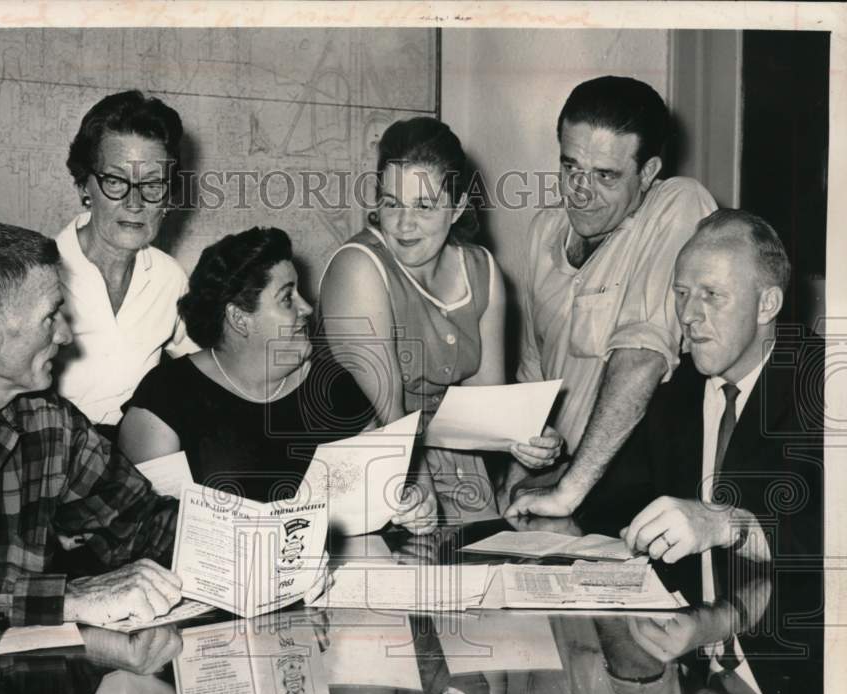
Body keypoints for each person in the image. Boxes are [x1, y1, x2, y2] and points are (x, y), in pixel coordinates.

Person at [594, 209, 824, 694]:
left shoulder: (821, 387)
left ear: (768, 304)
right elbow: (611, 508)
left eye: (712, 296)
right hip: (682, 652)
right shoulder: (680, 394)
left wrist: (724, 523)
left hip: (794, 662)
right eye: (680, 294)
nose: (689, 317)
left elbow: (825, 538)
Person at [0, 220, 186, 630]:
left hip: (21, 685)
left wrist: (270, 544)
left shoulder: (48, 420)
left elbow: (142, 525)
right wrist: (64, 598)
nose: (65, 335)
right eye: (51, 315)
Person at [320, 117, 562, 526]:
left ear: (458, 208)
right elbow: (389, 415)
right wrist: (421, 499)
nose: (402, 223)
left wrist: (525, 436)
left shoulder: (481, 268)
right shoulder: (359, 268)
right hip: (377, 470)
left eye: (424, 206)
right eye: (391, 202)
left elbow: (484, 406)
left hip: (461, 470)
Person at [507, 76, 717, 519]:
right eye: (570, 167)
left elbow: (642, 357)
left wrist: (568, 491)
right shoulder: (543, 230)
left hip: (630, 490)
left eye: (605, 175)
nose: (579, 192)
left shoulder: (679, 204)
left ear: (648, 172)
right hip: (555, 487)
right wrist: (515, 477)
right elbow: (532, 373)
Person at [118, 227, 383, 511]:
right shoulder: (166, 396)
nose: (306, 307)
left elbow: (380, 492)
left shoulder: (332, 385)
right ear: (239, 318)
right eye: (287, 297)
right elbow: (137, 523)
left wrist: (410, 504)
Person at [55, 90, 197, 438]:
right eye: (116, 181)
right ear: (83, 186)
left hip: (136, 465)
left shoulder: (170, 279)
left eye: (152, 184)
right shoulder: (37, 274)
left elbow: (201, 371)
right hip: (50, 463)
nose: (135, 202)